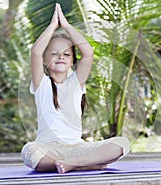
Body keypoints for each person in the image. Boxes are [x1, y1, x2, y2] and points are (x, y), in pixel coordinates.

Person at [21, 3, 130, 174]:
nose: (61, 57)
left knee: (122, 144)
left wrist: (66, 25)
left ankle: (75, 162)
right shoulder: (42, 84)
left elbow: (88, 53)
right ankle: (87, 165)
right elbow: (35, 51)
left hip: (76, 148)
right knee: (30, 152)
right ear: (44, 60)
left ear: (72, 61)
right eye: (54, 53)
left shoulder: (75, 83)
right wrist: (52, 26)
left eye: (66, 54)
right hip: (49, 148)